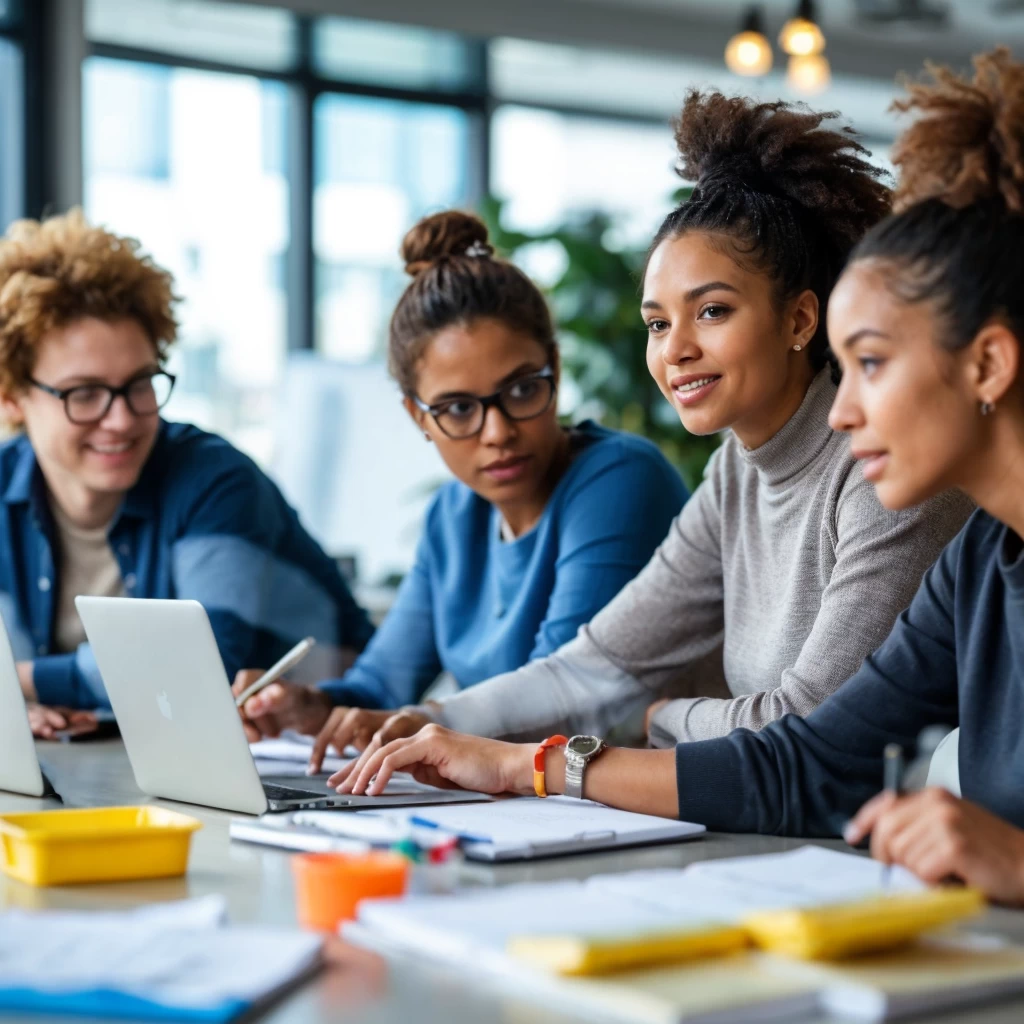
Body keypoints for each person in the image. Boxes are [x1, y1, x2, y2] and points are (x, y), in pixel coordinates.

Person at [334, 51, 1024, 906]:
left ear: (989, 363)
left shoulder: (907, 500)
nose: (847, 410)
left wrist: (641, 718)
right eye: (659, 322)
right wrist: (502, 752)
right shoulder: (980, 558)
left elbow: (798, 744)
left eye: (872, 363)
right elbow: (802, 759)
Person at [236, 210, 688, 747]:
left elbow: (559, 696)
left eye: (521, 390)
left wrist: (419, 720)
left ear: (556, 370)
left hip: (632, 802)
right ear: (416, 416)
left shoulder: (620, 480)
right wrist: (310, 707)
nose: (497, 432)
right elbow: (382, 682)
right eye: (457, 409)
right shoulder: (452, 516)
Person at [0, 210, 374, 738]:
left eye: (139, 384)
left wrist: (19, 683)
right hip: (144, 749)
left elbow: (199, 668)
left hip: (320, 752)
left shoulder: (214, 479)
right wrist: (18, 709)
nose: (123, 419)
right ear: (12, 397)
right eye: (83, 393)